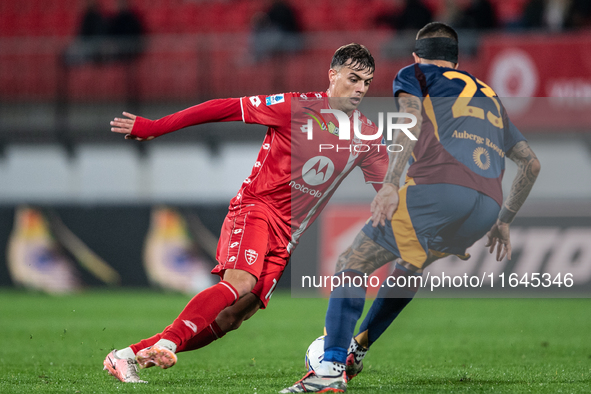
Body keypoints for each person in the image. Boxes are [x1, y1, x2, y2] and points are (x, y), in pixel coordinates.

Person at [102, 43, 389, 384]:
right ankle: (168, 343)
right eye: (353, 78)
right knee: (240, 282)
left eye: (366, 83)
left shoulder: (367, 135)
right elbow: (222, 108)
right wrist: (156, 127)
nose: (359, 88)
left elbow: (389, 188)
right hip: (255, 208)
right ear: (333, 75)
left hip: (288, 235)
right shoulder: (295, 107)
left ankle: (127, 355)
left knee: (235, 315)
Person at [281, 22, 541, 393]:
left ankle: (329, 372)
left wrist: (390, 185)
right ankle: (357, 349)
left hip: (439, 191)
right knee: (410, 264)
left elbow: (410, 122)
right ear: (456, 58)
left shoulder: (415, 74)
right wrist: (503, 221)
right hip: (487, 207)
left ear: (417, 55)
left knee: (352, 263)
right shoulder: (488, 96)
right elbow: (531, 163)